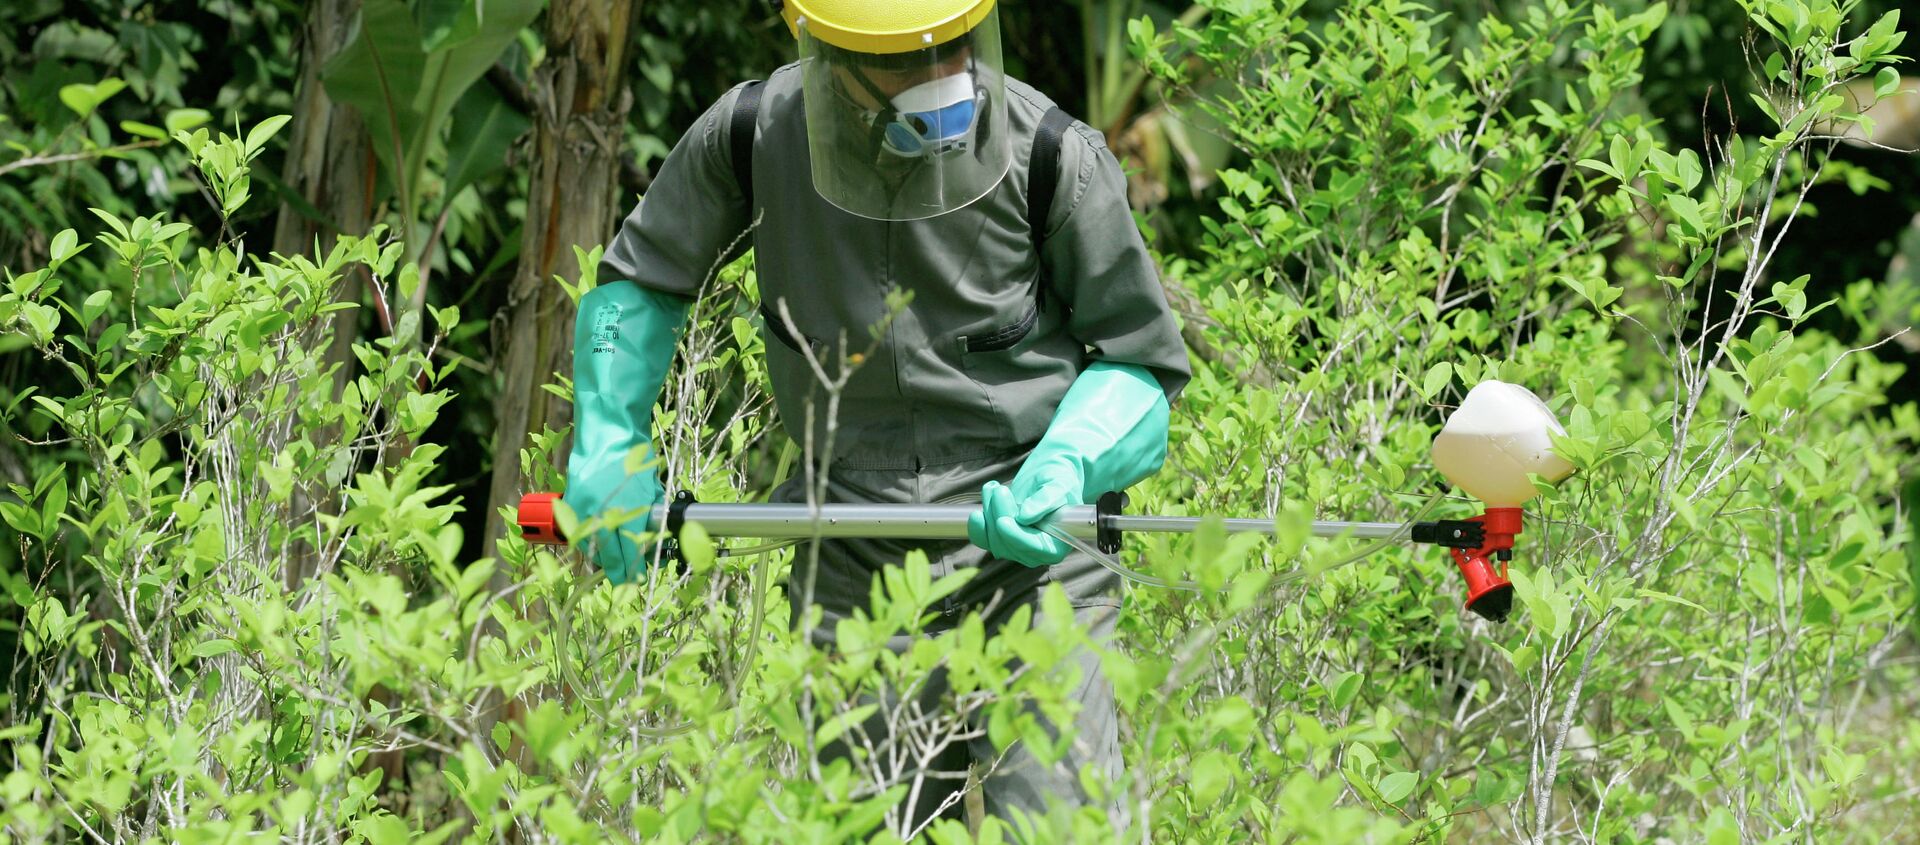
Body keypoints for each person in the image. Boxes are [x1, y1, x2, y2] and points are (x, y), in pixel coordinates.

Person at [563, 0, 1190, 830]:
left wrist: (1068, 461)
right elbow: (642, 281)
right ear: (827, 54)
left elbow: (1142, 362)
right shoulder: (754, 135)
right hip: (848, 550)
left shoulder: (1049, 153)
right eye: (903, 61)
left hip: (1034, 555)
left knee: (1057, 824)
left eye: (953, 49)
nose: (940, 78)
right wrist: (609, 437)